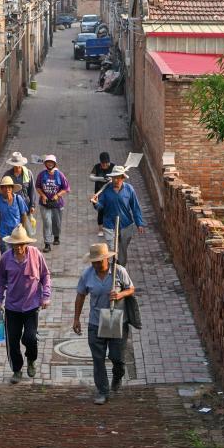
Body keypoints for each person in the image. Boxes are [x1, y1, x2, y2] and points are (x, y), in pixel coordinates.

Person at [72, 243, 135, 405]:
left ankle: (118, 373)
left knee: (116, 356)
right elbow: (80, 295)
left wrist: (119, 294)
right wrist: (76, 318)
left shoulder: (118, 272)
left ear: (107, 259)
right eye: (94, 262)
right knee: (98, 358)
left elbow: (131, 289)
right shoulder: (87, 274)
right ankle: (102, 390)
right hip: (96, 321)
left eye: (99, 261)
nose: (96, 265)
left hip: (113, 318)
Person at [0, 225, 52, 384]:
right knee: (12, 340)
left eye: (22, 244)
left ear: (26, 244)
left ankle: (31, 359)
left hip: (31, 306)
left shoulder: (36, 255)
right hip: (12, 307)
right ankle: (17, 369)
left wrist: (46, 296)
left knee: (30, 337)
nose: (19, 247)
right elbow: (0, 282)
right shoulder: (5, 258)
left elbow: (45, 276)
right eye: (16, 244)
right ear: (11, 244)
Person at [89, 165, 145, 266]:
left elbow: (135, 207)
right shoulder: (106, 190)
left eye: (118, 178)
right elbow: (100, 207)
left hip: (126, 225)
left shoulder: (129, 190)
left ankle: (121, 270)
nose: (115, 180)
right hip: (109, 225)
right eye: (114, 177)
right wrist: (95, 203)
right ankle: (113, 268)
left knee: (122, 250)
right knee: (113, 249)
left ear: (123, 178)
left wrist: (139, 223)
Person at [35, 155, 70, 249]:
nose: (49, 164)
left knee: (56, 222)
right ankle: (47, 243)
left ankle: (56, 236)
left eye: (51, 162)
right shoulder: (41, 174)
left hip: (57, 204)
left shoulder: (60, 175)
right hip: (44, 203)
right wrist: (42, 195)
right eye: (48, 162)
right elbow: (37, 186)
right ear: (45, 163)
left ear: (55, 163)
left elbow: (66, 188)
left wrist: (57, 195)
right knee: (47, 222)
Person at [0, 176, 30, 253]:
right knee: (6, 256)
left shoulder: (18, 199)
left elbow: (23, 214)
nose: (7, 189)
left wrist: (23, 227)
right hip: (4, 234)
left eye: (9, 187)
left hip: (17, 233)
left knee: (17, 255)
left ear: (12, 189)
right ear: (1, 189)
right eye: (5, 187)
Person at [89, 152, 115, 237]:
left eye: (106, 163)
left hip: (111, 192)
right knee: (101, 211)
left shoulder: (114, 167)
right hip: (100, 193)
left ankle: (112, 227)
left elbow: (119, 175)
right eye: (103, 163)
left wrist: (112, 179)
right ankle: (100, 229)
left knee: (111, 210)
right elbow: (91, 177)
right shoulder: (97, 167)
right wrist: (101, 178)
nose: (104, 165)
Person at [3, 151, 36, 216]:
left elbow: (32, 190)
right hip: (11, 207)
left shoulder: (28, 174)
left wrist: (32, 205)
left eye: (18, 165)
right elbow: (2, 190)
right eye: (15, 166)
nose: (17, 167)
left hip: (25, 206)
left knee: (25, 225)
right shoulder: (7, 175)